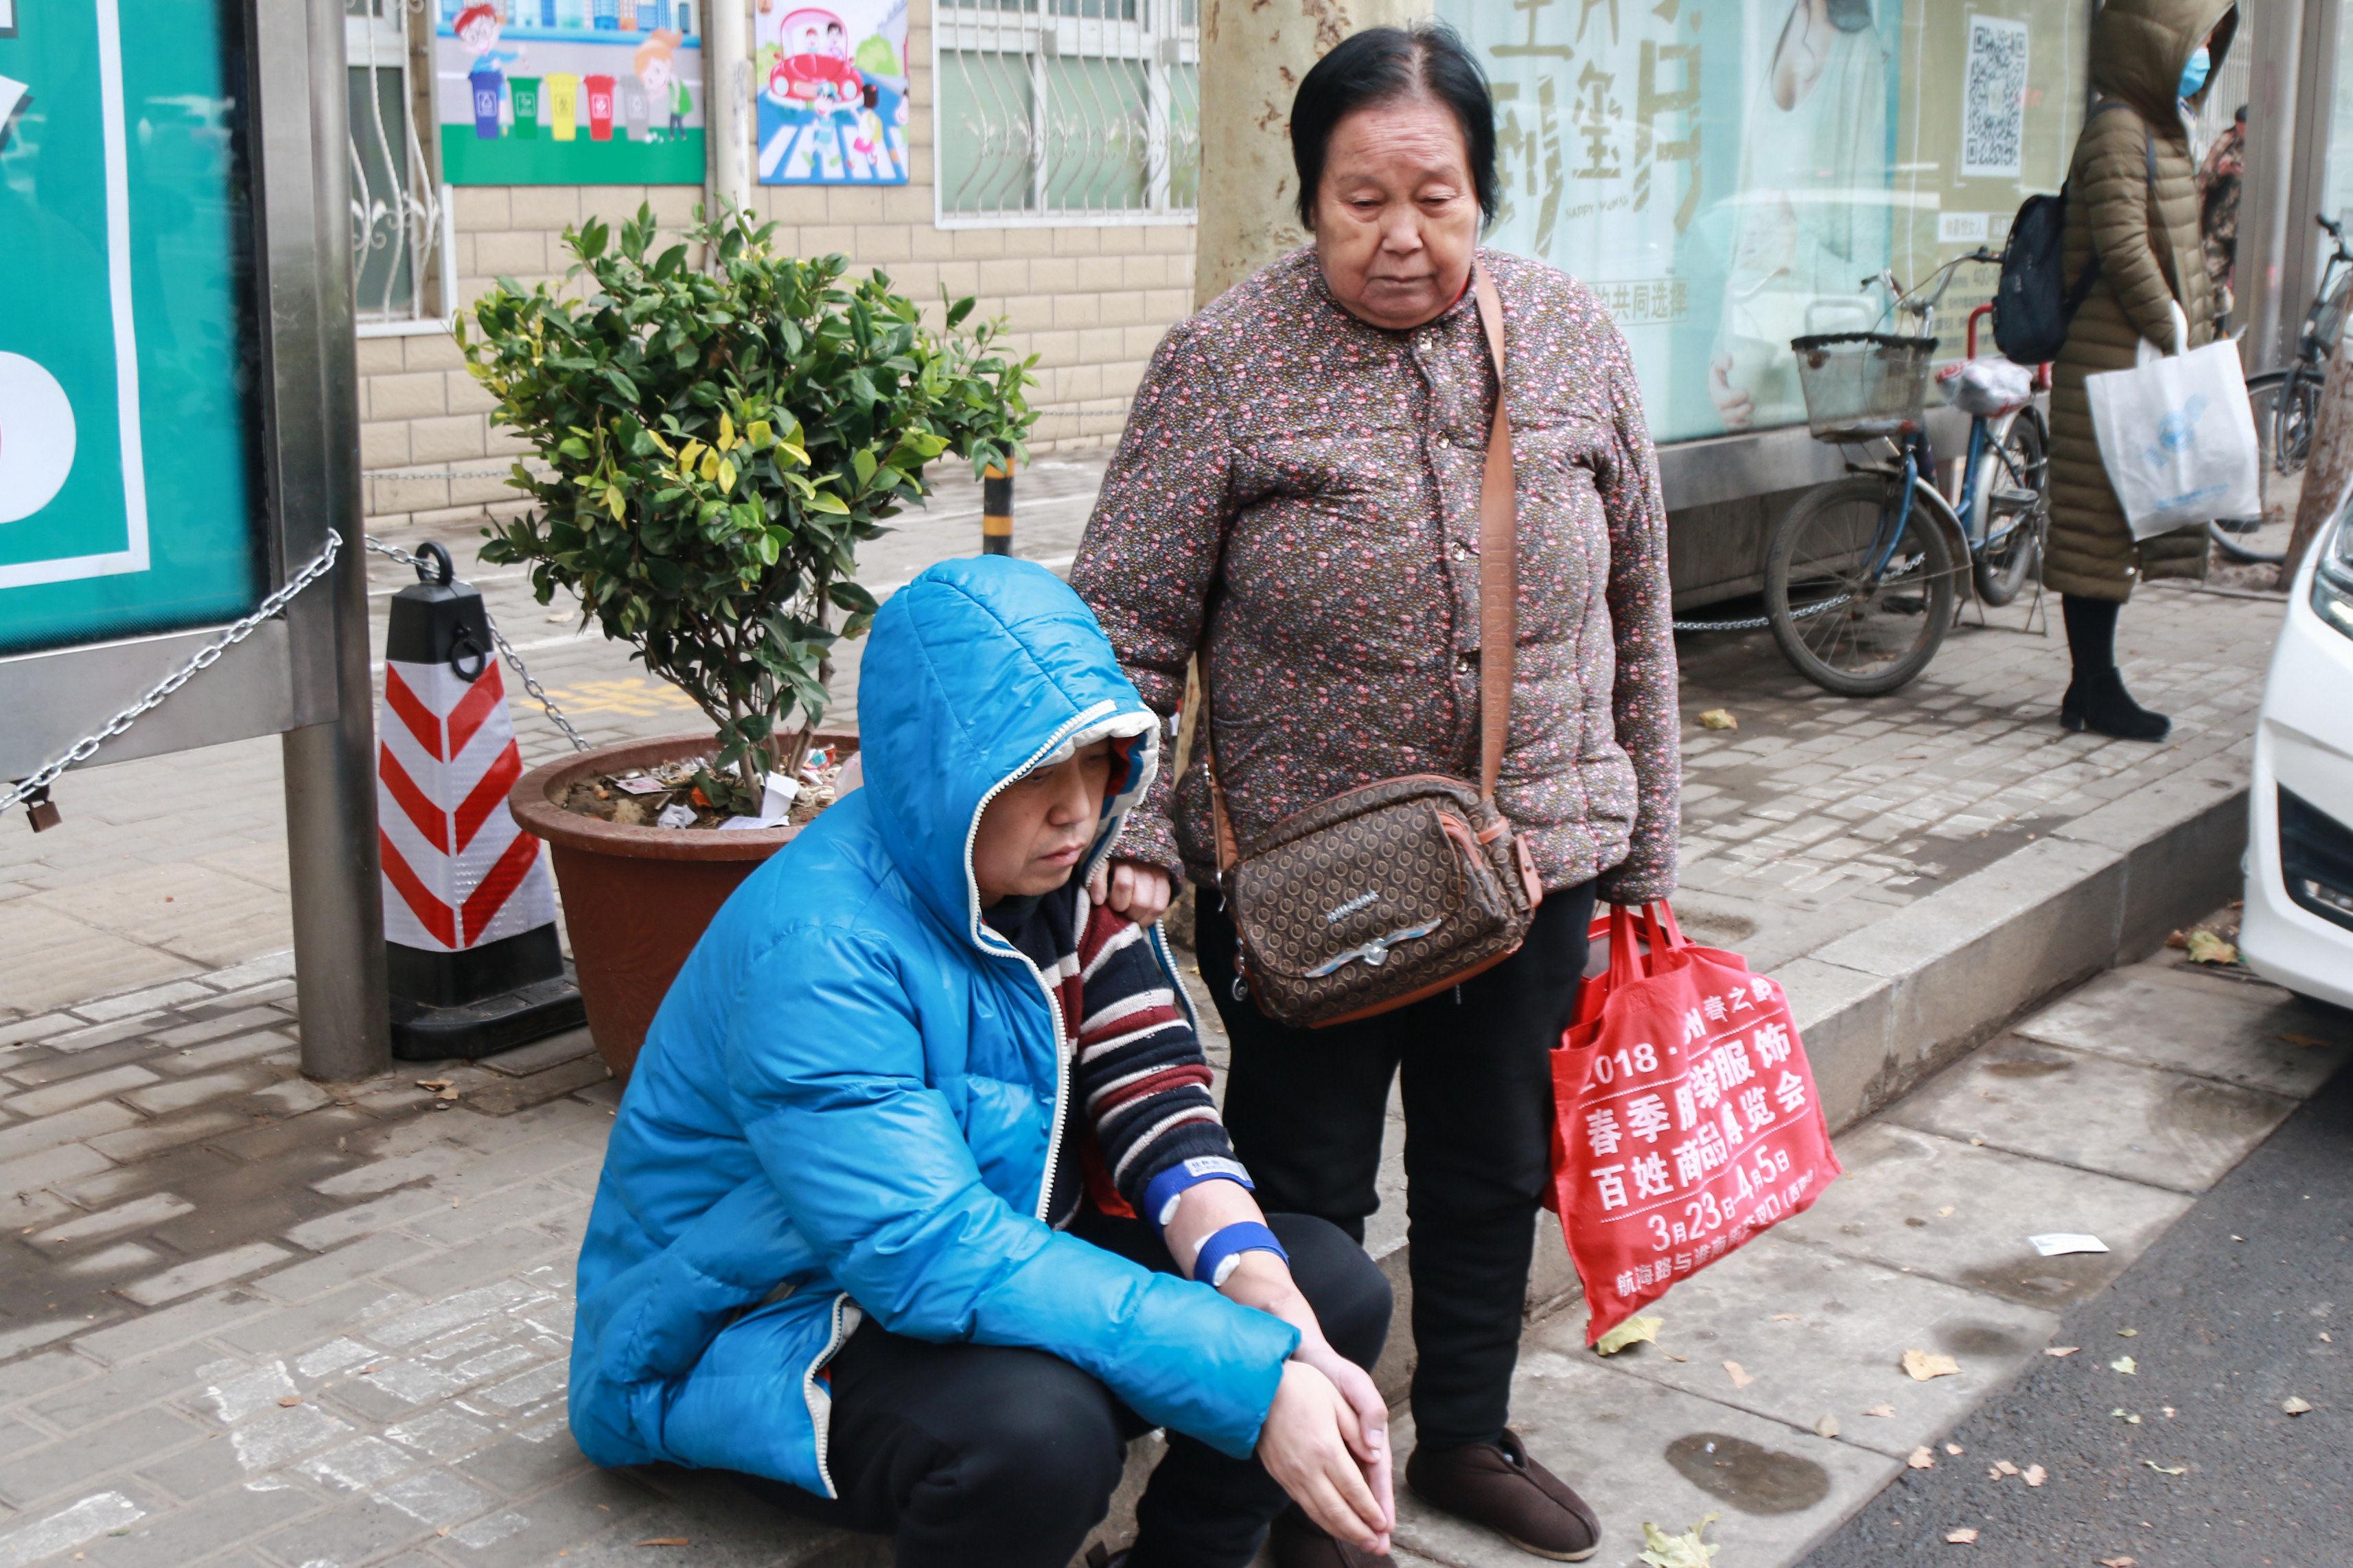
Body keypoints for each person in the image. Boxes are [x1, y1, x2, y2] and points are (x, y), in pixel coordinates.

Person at [1070, 23, 1679, 1564]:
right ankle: (1302, 1464)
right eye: (1363, 201)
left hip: (1529, 856)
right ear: (1308, 199)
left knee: (1492, 1166)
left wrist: (1648, 843)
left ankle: (1463, 1431)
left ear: (1484, 190)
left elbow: (1638, 605)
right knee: (1300, 1199)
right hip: (1307, 887)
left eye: (1439, 195)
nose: (1403, 237)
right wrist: (1134, 831)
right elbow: (1122, 633)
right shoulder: (1222, 364)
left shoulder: (1570, 337)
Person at [568, 557, 1395, 1568]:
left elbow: (1158, 1099)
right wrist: (1251, 1378)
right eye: (1033, 773)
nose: (1077, 808)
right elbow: (927, 1250)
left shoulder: (1069, 881)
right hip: (765, 1320)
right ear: (938, 773)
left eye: (1095, 759)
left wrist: (1266, 1302)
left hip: (982, 1251)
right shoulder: (821, 949)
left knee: (1325, 1287)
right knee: (1041, 1436)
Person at [2044, 0, 2237, 740]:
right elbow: (2124, 247)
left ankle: (2088, 683)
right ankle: (2094, 686)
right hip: (2110, 366)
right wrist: (2173, 325)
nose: (2203, 54)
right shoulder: (2117, 130)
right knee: (2096, 532)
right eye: (2194, 40)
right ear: (2152, 45)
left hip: (2135, 362)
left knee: (2118, 527)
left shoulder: (2160, 126)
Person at [1707, 0, 1891, 432]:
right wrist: (1720, 354)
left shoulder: (1857, 49)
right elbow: (1750, 224)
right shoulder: (1775, 22)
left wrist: (1795, 248)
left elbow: (1868, 279)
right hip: (1750, 357)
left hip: (1816, 369)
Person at [2197, 103, 2246, 323]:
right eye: (2239, 128)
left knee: (2242, 286)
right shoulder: (2227, 144)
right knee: (2210, 280)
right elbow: (2207, 180)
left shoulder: (2264, 146)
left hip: (2245, 229)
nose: (2241, 133)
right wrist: (2223, 171)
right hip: (2219, 226)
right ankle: (2212, 327)